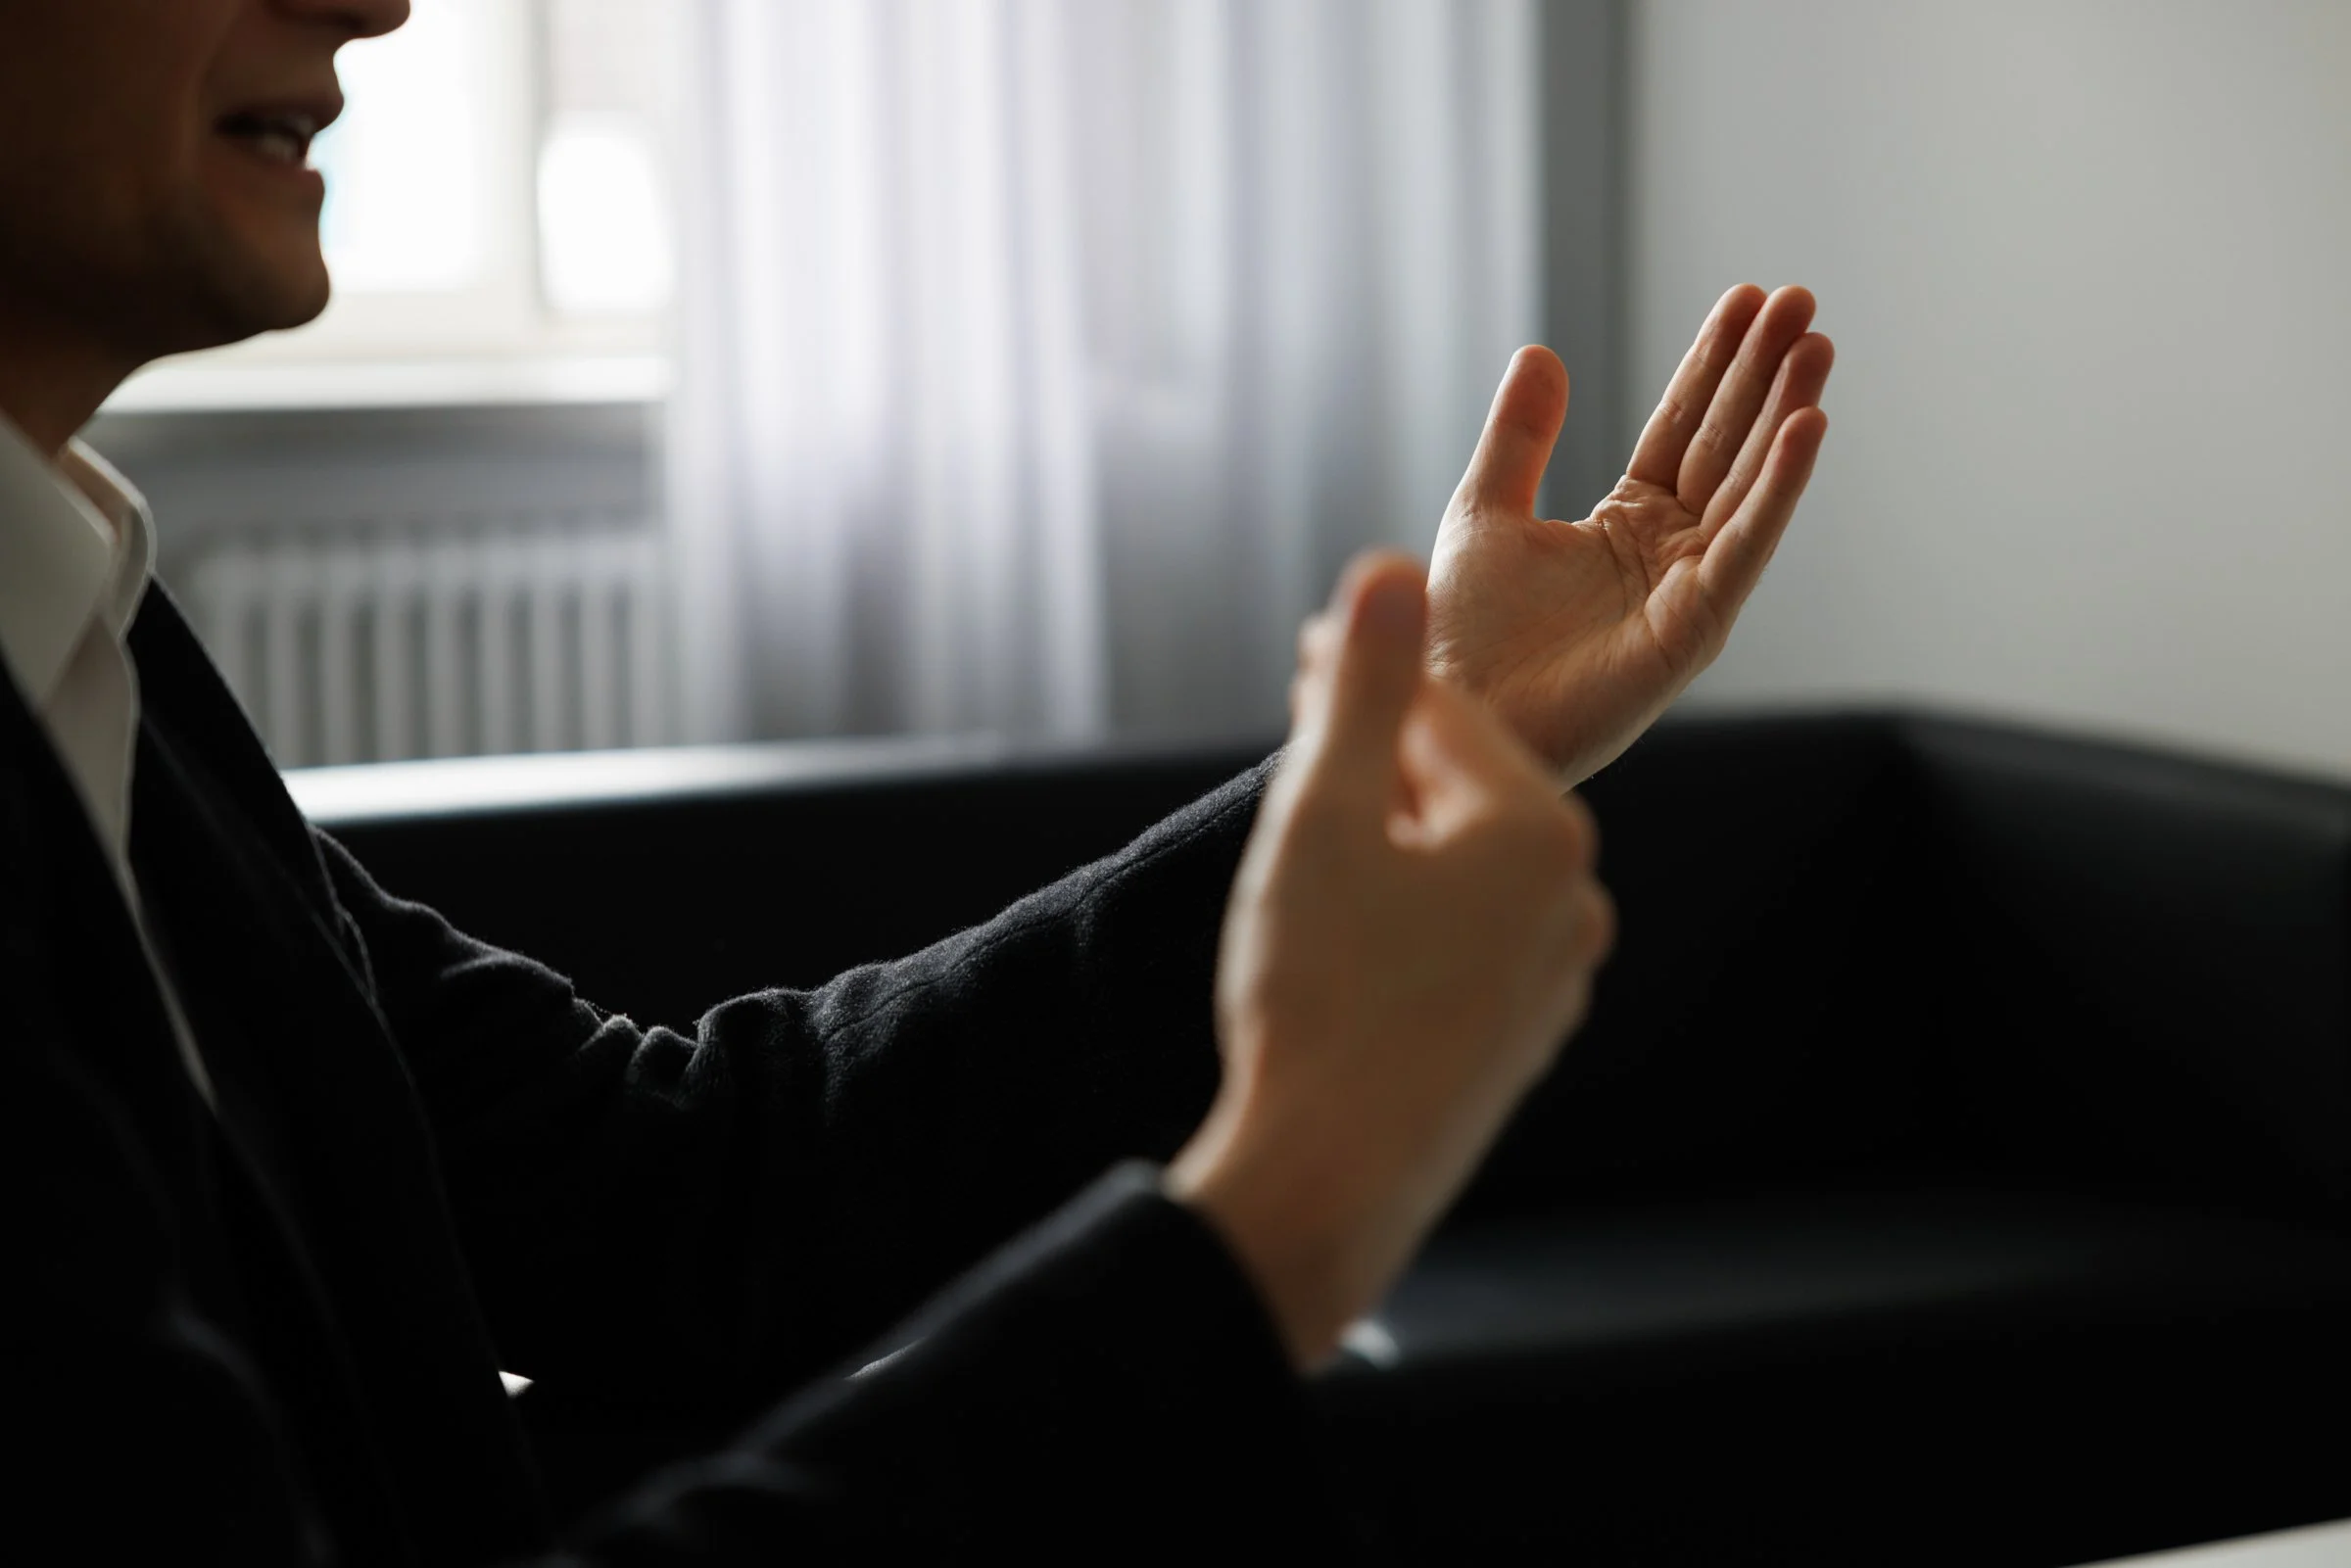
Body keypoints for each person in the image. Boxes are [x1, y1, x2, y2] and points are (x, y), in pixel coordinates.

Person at [0, 0, 1834, 1560]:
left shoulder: (94, 646)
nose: (374, 2)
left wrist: (1431, 730)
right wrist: (1274, 1226)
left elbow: (689, 1193)